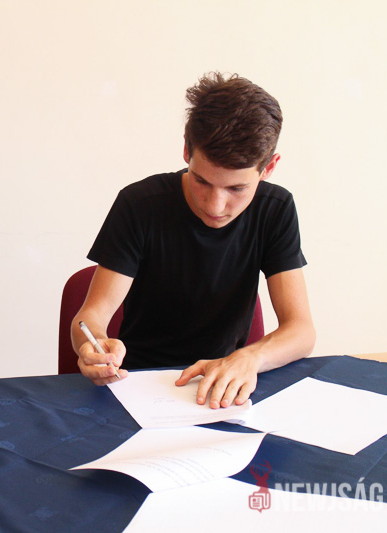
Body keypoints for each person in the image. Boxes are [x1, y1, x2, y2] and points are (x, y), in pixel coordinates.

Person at [71, 72, 315, 409]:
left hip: (223, 387)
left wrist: (249, 358)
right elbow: (90, 316)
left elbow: (301, 331)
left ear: (268, 168)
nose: (215, 206)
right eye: (202, 181)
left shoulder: (275, 209)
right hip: (140, 384)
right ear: (187, 149)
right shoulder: (140, 204)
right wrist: (93, 346)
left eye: (236, 188)